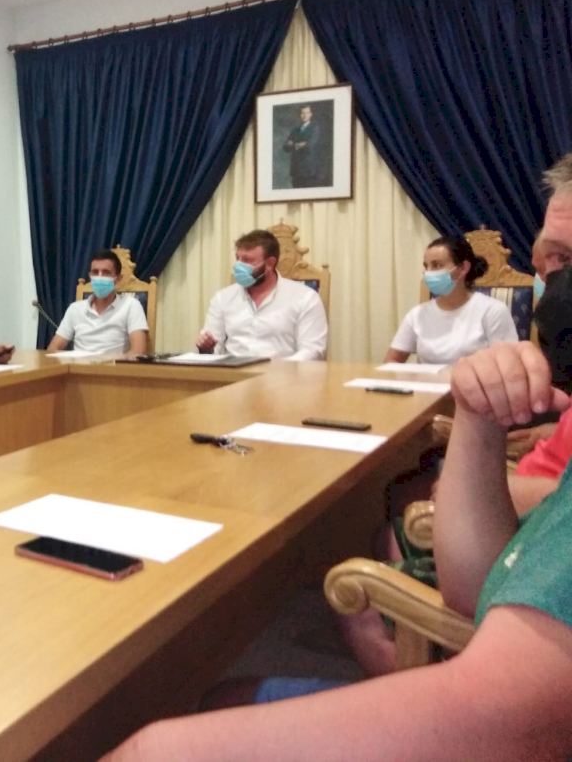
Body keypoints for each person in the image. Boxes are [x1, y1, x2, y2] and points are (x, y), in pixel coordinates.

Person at [103, 173, 572, 762]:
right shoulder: (236, 300)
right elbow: (474, 590)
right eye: (551, 263)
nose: (553, 287)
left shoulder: (307, 300)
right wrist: (478, 418)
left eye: (564, 262)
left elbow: (504, 716)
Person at [384, 234, 518, 364]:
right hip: (426, 380)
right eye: (426, 266)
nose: (428, 273)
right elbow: (391, 361)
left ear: (463, 268)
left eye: (437, 265)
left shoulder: (492, 311)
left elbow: (508, 365)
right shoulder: (417, 314)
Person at [196, 229, 327, 361]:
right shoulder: (223, 298)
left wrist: (278, 370)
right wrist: (207, 349)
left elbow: (312, 350)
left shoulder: (305, 298)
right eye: (238, 258)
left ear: (270, 263)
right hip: (233, 371)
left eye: (247, 260)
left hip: (283, 371)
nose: (238, 266)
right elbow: (214, 349)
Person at [46, 249, 149, 355]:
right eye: (95, 272)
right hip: (78, 364)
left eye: (106, 272)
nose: (99, 277)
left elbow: (138, 351)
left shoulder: (131, 305)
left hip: (112, 364)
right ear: (90, 276)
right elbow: (53, 348)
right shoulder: (75, 308)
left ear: (118, 279)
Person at [283, 104, 321, 188]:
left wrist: (293, 144)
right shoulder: (295, 130)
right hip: (296, 169)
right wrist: (300, 144)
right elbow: (285, 147)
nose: (304, 115)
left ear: (310, 114)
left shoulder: (315, 128)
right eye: (302, 113)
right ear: (300, 115)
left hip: (308, 169)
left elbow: (310, 145)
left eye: (307, 113)